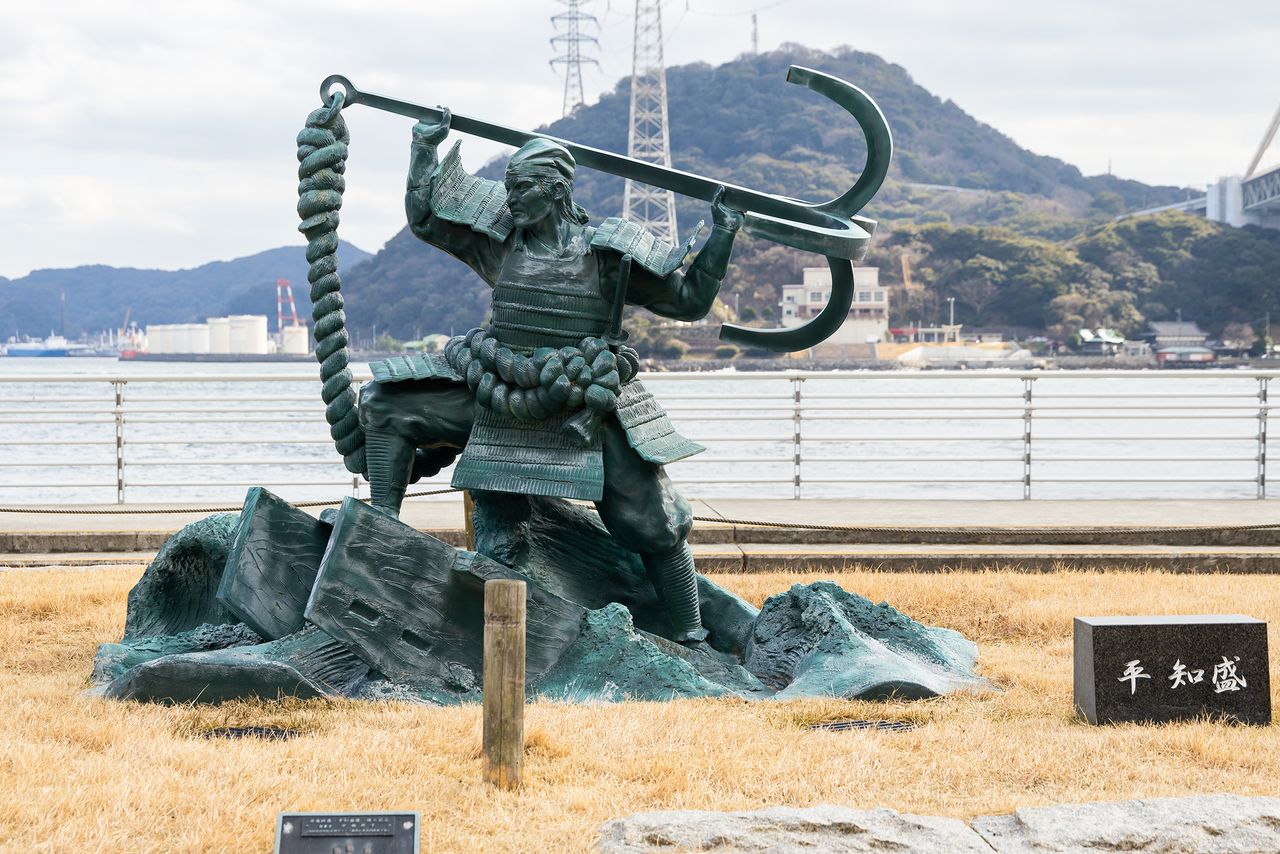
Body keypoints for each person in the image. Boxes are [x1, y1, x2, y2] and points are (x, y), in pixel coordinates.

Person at [358, 110, 743, 646]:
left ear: (558, 190)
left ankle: (690, 630)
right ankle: (382, 528)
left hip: (582, 405)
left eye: (523, 188)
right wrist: (425, 147)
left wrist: (723, 232)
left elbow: (689, 301)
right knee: (384, 402)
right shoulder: (500, 242)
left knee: (653, 520)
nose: (511, 198)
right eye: (509, 186)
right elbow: (426, 221)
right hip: (498, 390)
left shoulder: (610, 256)